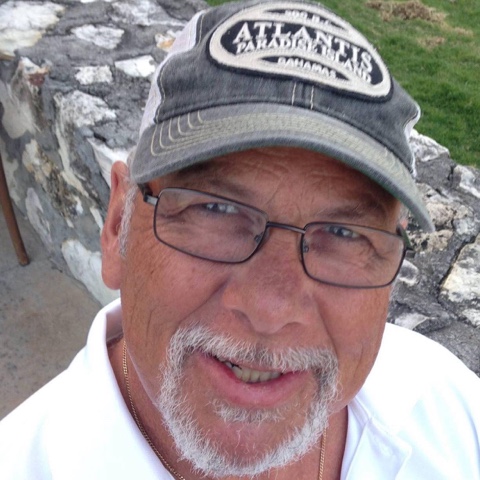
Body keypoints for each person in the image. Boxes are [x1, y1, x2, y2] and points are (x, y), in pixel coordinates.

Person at [1, 0, 479, 478]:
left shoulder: (449, 411)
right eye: (216, 210)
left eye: (343, 233)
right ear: (117, 225)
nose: (271, 311)